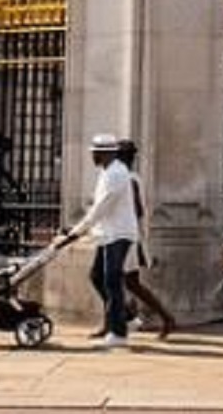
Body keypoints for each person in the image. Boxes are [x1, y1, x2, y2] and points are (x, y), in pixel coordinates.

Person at [55, 132, 140, 346]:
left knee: (112, 280)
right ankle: (126, 317)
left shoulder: (117, 174)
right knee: (97, 277)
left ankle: (118, 333)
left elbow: (101, 209)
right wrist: (76, 230)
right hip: (107, 233)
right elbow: (97, 208)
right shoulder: (106, 172)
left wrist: (76, 232)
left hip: (119, 233)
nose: (93, 157)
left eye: (95, 153)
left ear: (106, 153)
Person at [113, 139, 177, 339]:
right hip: (124, 237)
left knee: (119, 282)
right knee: (125, 283)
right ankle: (130, 317)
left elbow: (137, 210)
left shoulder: (128, 179)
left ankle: (126, 319)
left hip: (126, 238)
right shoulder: (128, 178)